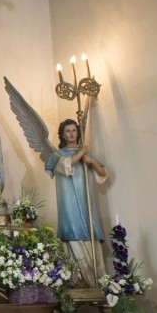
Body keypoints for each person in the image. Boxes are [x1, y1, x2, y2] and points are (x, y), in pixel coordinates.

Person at [45, 119, 108, 288]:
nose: (72, 134)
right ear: (62, 135)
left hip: (86, 200)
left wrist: (91, 161)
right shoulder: (58, 155)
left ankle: (97, 282)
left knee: (90, 228)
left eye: (74, 130)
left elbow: (103, 173)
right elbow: (65, 165)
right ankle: (76, 280)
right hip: (68, 202)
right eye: (68, 131)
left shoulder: (85, 154)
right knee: (71, 230)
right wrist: (81, 153)